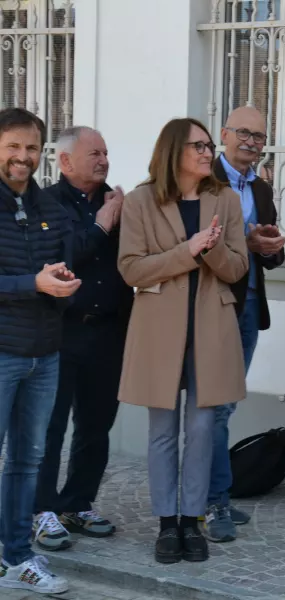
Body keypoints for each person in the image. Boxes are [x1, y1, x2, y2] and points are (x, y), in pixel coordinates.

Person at [117, 118, 248, 564]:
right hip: (160, 330)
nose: (208, 151)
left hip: (210, 328)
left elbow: (237, 268)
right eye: (199, 145)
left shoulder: (225, 199)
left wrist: (209, 249)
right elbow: (132, 269)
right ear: (174, 149)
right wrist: (188, 251)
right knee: (162, 434)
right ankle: (165, 525)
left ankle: (192, 520)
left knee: (202, 428)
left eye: (210, 144)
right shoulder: (139, 201)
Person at [32, 126, 133, 552]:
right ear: (66, 161)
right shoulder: (44, 203)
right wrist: (104, 222)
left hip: (109, 330)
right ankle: (41, 509)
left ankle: (78, 502)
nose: (104, 160)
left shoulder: (120, 202)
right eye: (95, 153)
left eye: (106, 152)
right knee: (50, 426)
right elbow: (61, 256)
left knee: (96, 426)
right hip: (61, 331)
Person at [0, 108, 76, 594]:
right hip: (2, 351)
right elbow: (29, 280)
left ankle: (17, 558)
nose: (22, 157)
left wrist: (63, 280)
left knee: (27, 462)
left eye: (31, 148)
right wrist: (35, 283)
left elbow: (63, 259)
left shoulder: (49, 206)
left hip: (45, 353)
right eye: (12, 147)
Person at [205, 106, 285, 543]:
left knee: (228, 404)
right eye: (243, 133)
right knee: (213, 408)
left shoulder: (263, 187)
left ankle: (210, 492)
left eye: (259, 135)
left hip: (250, 305)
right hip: (214, 305)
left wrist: (272, 248)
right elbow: (200, 242)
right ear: (224, 134)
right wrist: (246, 242)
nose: (251, 142)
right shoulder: (203, 180)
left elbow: (265, 255)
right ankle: (213, 499)